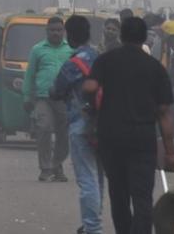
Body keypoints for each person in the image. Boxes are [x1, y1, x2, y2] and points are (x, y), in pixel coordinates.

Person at [83, 17, 174, 234]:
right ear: (144, 37)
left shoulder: (106, 60)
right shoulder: (155, 68)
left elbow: (89, 87)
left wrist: (94, 106)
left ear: (121, 35)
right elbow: (164, 113)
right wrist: (171, 153)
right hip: (142, 139)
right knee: (142, 196)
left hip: (111, 137)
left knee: (119, 195)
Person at [51, 16, 104, 234]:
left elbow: (55, 90)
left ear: (69, 35)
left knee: (86, 180)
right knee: (98, 176)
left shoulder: (73, 64)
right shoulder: (100, 58)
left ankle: (93, 228)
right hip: (102, 124)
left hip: (80, 124)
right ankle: (93, 223)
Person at [23, 16, 73, 182]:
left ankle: (57, 166)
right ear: (47, 31)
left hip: (65, 99)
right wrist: (26, 97)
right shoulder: (37, 50)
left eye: (59, 30)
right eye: (52, 30)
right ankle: (45, 168)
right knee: (43, 128)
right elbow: (29, 75)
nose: (56, 33)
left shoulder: (70, 50)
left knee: (64, 135)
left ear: (63, 31)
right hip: (43, 98)